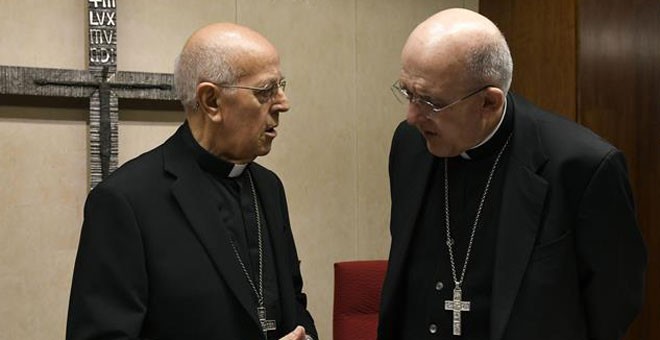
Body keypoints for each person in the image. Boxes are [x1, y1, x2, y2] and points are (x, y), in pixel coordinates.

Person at [378, 8, 646, 340]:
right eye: (408, 92)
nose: (412, 116)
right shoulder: (410, 145)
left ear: (489, 103)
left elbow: (614, 303)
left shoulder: (582, 167)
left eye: (430, 102)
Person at [67, 23, 318, 340]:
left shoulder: (269, 188)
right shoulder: (125, 201)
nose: (283, 103)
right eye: (266, 91)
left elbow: (293, 304)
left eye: (280, 86)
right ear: (211, 101)